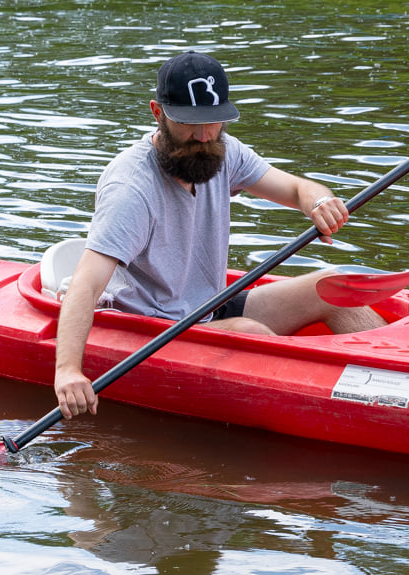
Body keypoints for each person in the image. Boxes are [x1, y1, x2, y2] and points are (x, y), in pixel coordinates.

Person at [54, 51, 386, 419]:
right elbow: (85, 284)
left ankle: (402, 381)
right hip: (149, 327)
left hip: (204, 308)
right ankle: (333, 414)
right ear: (157, 112)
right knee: (251, 333)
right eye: (189, 123)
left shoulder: (222, 152)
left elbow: (295, 188)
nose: (202, 135)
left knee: (333, 285)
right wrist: (68, 370)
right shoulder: (131, 188)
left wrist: (319, 201)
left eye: (213, 122)